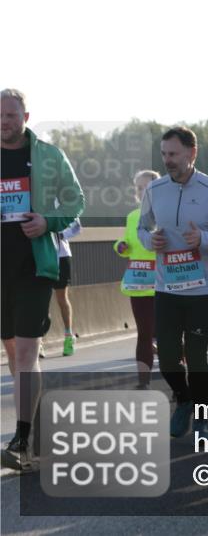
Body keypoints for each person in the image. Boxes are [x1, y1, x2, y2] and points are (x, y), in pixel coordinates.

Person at [139, 126, 208, 439]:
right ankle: (184, 400)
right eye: (164, 154)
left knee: (196, 356)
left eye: (174, 154)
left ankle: (201, 418)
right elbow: (143, 229)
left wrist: (204, 239)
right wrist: (150, 240)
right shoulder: (155, 190)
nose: (167, 160)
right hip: (167, 288)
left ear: (191, 153)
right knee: (169, 356)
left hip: (206, 291)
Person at [1, 88, 85, 473]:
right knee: (12, 352)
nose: (6, 122)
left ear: (26, 117)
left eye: (12, 115)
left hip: (34, 267)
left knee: (25, 353)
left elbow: (75, 200)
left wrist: (47, 221)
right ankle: (31, 422)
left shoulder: (48, 156)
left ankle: (20, 439)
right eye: (0, 115)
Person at [114, 169, 161, 389]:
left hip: (165, 283)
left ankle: (180, 385)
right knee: (143, 334)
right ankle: (143, 382)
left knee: (166, 336)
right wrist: (120, 247)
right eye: (139, 188)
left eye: (147, 187)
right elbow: (126, 244)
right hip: (139, 282)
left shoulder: (166, 214)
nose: (142, 192)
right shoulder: (132, 217)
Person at [53, 218, 82, 355]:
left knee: (61, 298)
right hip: (40, 256)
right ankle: (38, 341)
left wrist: (60, 234)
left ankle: (68, 337)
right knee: (40, 300)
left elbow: (76, 227)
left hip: (61, 256)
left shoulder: (66, 200)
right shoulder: (35, 199)